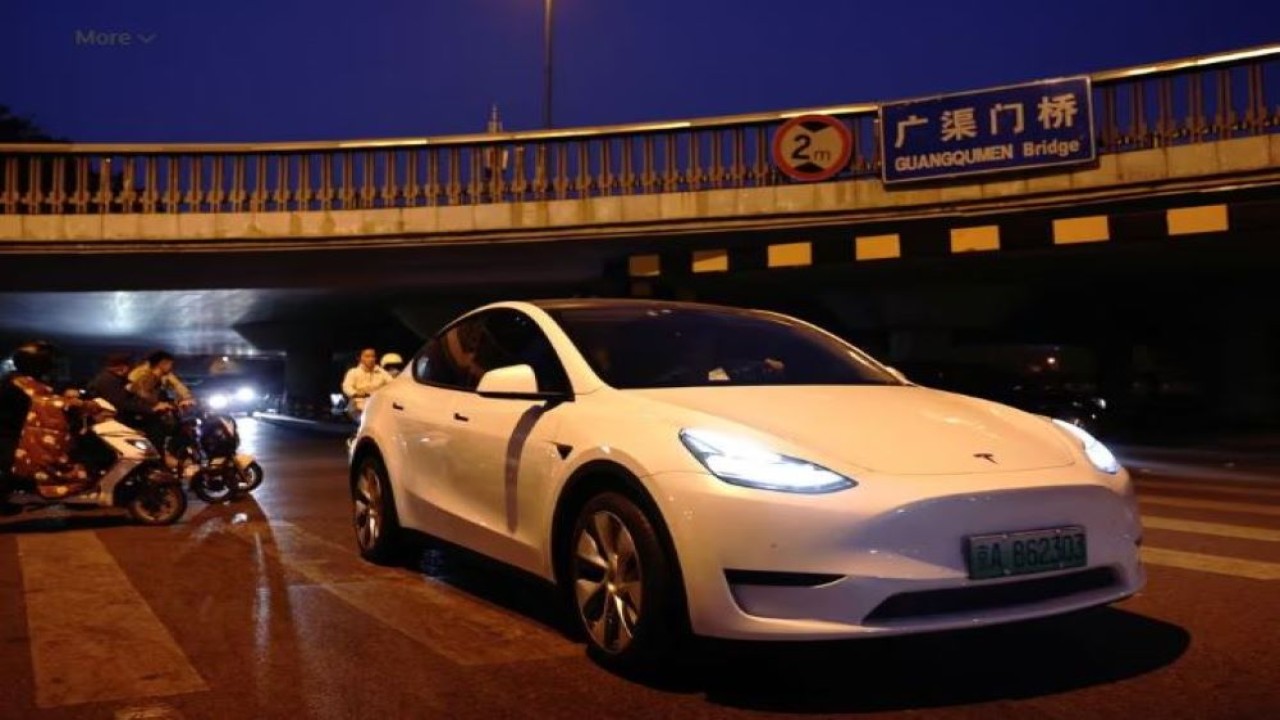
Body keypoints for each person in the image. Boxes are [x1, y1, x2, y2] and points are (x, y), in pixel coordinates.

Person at [2, 341, 102, 501]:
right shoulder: (20, 388)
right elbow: (45, 402)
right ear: (39, 365)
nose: (53, 367)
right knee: (73, 469)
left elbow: (48, 396)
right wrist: (76, 404)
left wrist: (66, 395)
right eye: (50, 363)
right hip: (17, 445)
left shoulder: (21, 381)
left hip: (17, 442)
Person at [86, 353, 172, 436]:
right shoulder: (108, 381)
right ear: (123, 368)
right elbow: (122, 403)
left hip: (117, 421)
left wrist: (153, 405)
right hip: (109, 424)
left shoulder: (117, 379)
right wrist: (151, 408)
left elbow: (135, 397)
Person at [341, 348, 391, 421]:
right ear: (360, 358)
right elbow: (347, 387)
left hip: (378, 405)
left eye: (373, 356)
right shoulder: (353, 372)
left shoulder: (381, 372)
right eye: (367, 356)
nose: (371, 359)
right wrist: (356, 393)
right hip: (359, 406)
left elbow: (392, 383)